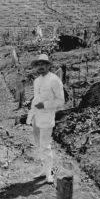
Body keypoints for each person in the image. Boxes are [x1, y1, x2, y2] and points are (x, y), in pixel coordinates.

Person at [26, 53, 65, 184]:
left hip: (47, 117)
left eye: (43, 64)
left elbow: (60, 101)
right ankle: (44, 169)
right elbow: (37, 98)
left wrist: (44, 105)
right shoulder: (36, 81)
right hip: (36, 117)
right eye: (38, 65)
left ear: (48, 66)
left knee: (45, 146)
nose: (40, 67)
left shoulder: (54, 80)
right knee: (39, 145)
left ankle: (49, 174)